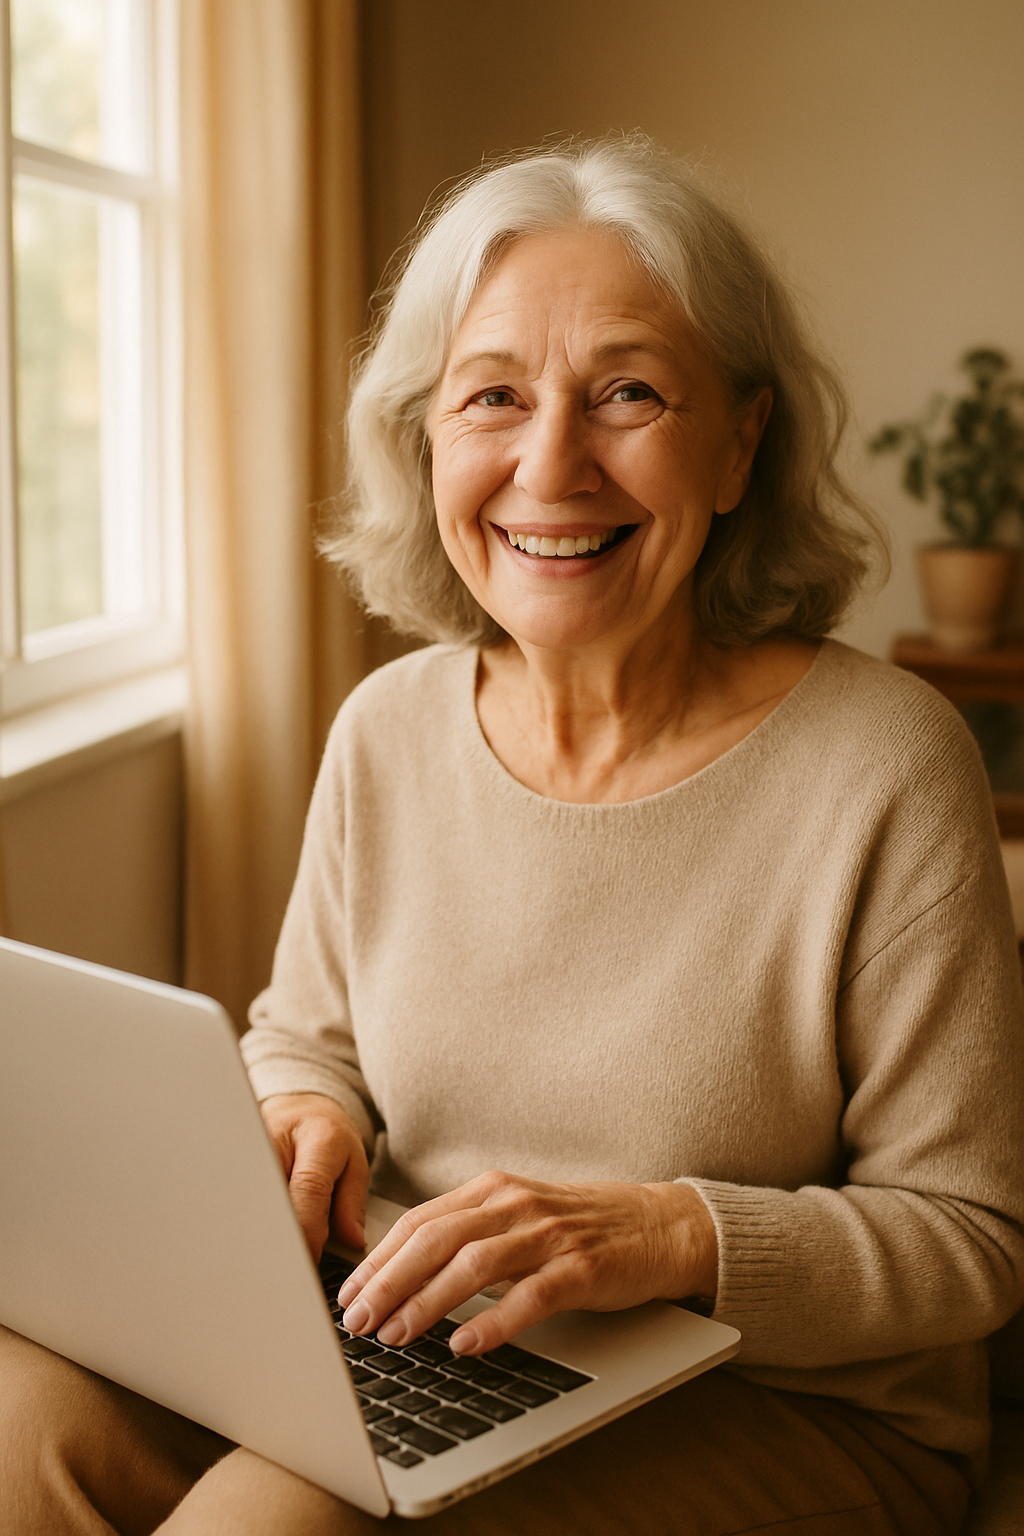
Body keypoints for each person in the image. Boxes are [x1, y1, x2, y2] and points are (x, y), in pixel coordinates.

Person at [3, 136, 1023, 1536]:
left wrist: (666, 1233)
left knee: (271, 1522)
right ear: (428, 440)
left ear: (739, 441)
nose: (553, 463)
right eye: (494, 395)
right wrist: (304, 1115)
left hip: (790, 1404)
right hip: (422, 1335)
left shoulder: (888, 761)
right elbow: (309, 1040)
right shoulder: (388, 729)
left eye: (629, 394)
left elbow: (971, 1237)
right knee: (20, 1425)